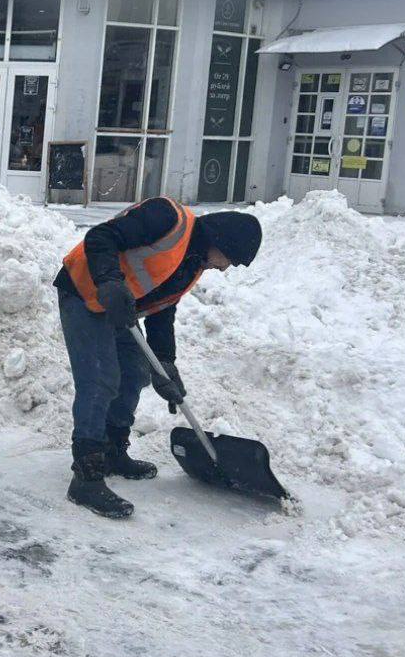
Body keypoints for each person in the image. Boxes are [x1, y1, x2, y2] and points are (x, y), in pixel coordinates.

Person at [55, 197, 262, 519]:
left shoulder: (193, 263)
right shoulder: (167, 218)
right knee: (100, 379)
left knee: (135, 371)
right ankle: (86, 476)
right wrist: (109, 281)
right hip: (83, 293)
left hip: (121, 306)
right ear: (220, 240)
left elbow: (162, 309)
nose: (224, 268)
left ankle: (112, 450)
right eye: (229, 260)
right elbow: (100, 237)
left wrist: (165, 361)